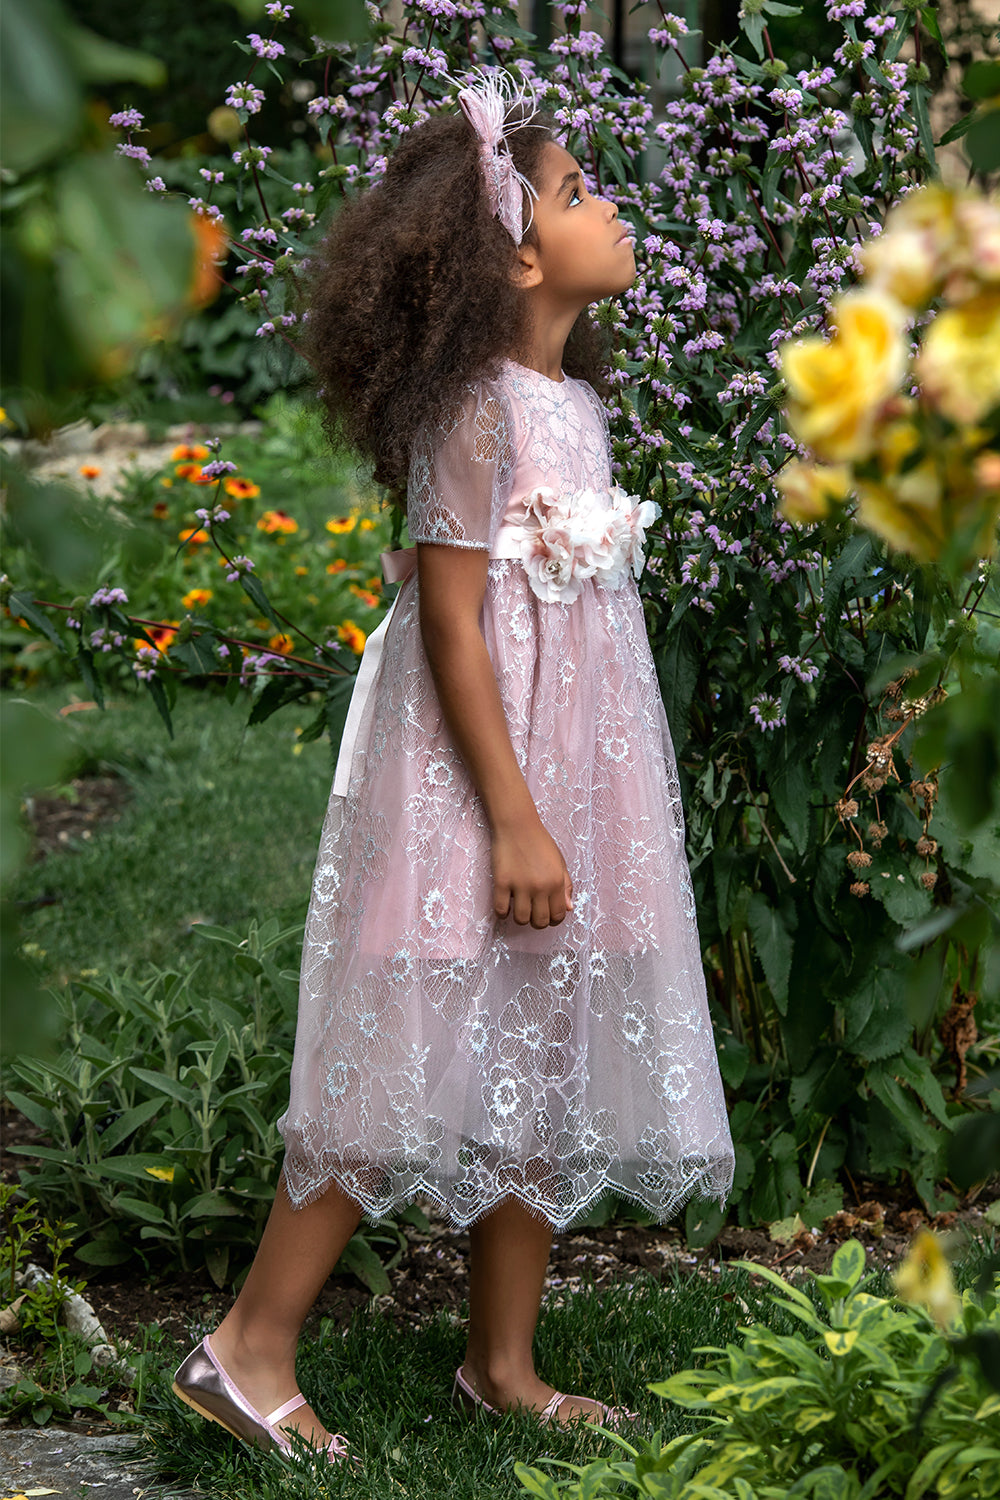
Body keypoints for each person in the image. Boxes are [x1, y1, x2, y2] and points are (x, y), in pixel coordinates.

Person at [172, 68, 735, 1467]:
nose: (610, 203)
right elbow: (451, 623)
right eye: (577, 190)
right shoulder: (477, 408)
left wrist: (567, 810)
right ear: (521, 255)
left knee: (540, 1033)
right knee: (402, 1038)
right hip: (473, 773)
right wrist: (514, 818)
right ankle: (248, 1348)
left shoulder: (571, 406)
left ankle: (503, 1359)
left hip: (577, 765)